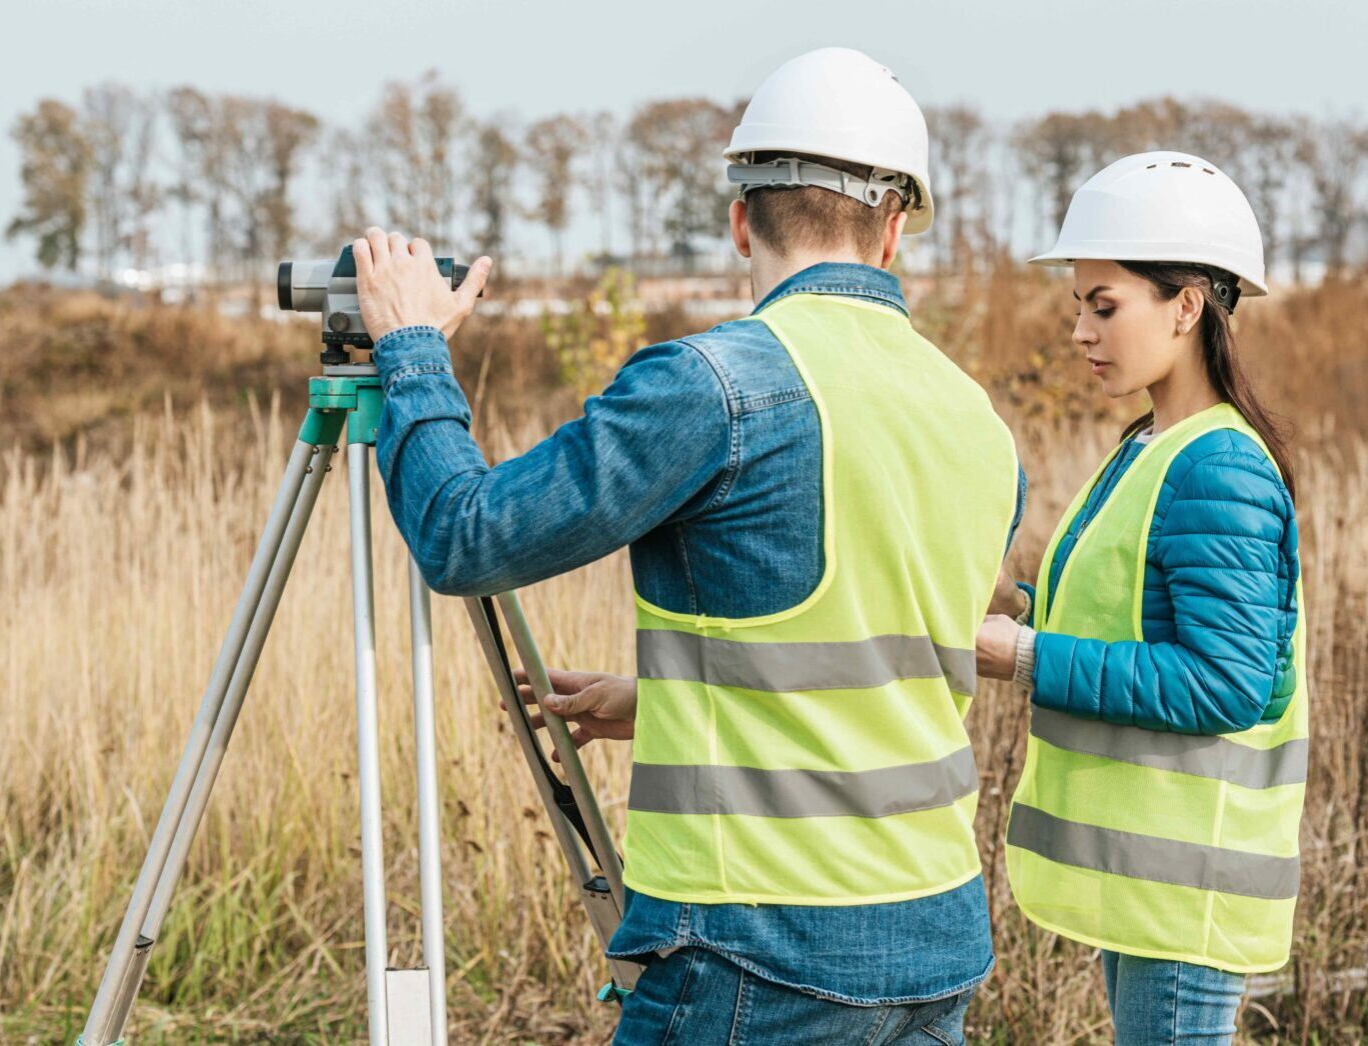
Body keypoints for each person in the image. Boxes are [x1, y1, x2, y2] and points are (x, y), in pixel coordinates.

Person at [352, 48, 1028, 1045]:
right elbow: (890, 650)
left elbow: (466, 534)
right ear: (893, 230)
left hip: (758, 945)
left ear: (740, 218)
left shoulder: (715, 384)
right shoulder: (976, 420)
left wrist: (411, 347)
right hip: (933, 934)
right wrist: (672, 700)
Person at [976, 152, 1307, 1045]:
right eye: (1076, 307)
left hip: (1184, 895)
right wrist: (1005, 601)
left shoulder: (1218, 465)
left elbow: (1221, 683)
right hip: (1145, 887)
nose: (1080, 332)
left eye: (1104, 305)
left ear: (1187, 304)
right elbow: (1112, 612)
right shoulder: (1147, 446)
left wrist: (1019, 654)